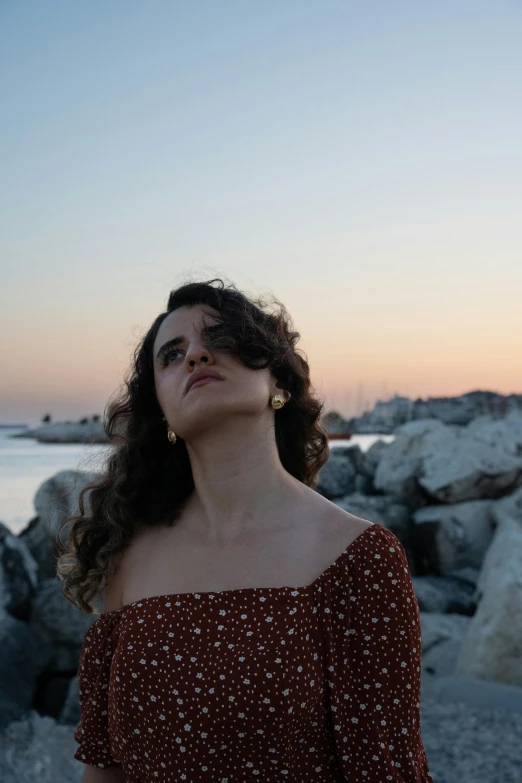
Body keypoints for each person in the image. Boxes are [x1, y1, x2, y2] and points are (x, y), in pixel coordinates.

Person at [57, 277, 432, 782]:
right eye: (171, 355)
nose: (194, 356)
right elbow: (105, 769)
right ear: (162, 408)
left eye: (220, 341)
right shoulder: (131, 557)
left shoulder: (356, 557)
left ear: (278, 383)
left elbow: (388, 772)